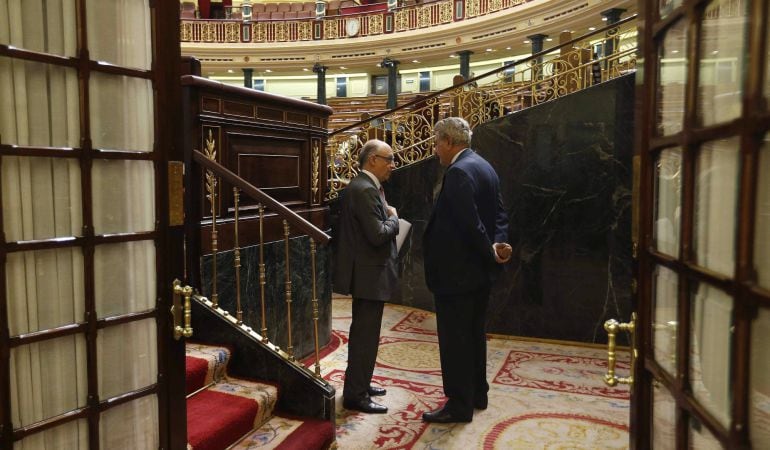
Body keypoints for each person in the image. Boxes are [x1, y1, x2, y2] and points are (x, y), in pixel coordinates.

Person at [422, 117, 512, 423]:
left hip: (456, 275)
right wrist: (498, 245)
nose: (436, 151)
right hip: (478, 275)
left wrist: (489, 249)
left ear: (448, 142)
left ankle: (459, 405)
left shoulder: (459, 171)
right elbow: (500, 214)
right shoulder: (484, 165)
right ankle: (477, 394)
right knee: (474, 335)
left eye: (436, 143)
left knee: (455, 340)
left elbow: (470, 223)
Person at [333, 139, 400, 414]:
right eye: (389, 159)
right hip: (368, 276)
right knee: (364, 336)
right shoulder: (365, 190)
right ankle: (356, 395)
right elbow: (378, 234)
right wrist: (395, 218)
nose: (392, 165)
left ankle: (361, 383)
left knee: (366, 335)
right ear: (372, 159)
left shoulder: (365, 187)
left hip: (368, 274)